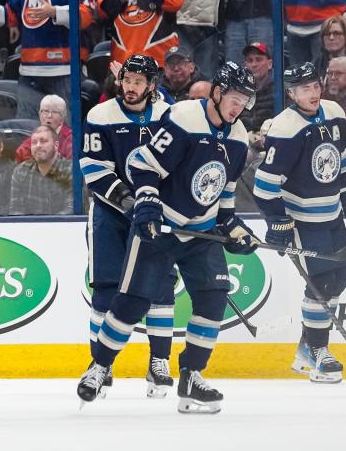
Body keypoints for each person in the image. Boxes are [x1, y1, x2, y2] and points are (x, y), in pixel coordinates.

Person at [78, 62, 259, 413]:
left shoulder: (238, 138)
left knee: (212, 299)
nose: (239, 107)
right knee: (131, 303)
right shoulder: (184, 119)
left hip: (201, 232)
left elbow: (224, 193)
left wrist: (234, 227)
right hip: (163, 227)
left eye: (245, 101)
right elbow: (143, 165)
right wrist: (146, 201)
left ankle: (191, 376)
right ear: (217, 92)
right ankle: (100, 366)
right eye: (235, 98)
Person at [253, 62, 346, 383]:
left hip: (331, 215)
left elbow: (340, 163)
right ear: (291, 93)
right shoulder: (285, 127)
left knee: (340, 278)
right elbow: (264, 186)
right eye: (305, 88)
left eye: (316, 85)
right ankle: (318, 352)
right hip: (302, 220)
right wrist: (278, 221)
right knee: (323, 283)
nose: (314, 92)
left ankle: (307, 346)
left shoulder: (333, 111)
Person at [80, 54, 175, 397]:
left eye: (138, 82)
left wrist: (158, 204)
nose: (130, 87)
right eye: (127, 80)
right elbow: (92, 167)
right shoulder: (100, 115)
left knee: (162, 286)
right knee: (106, 287)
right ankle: (99, 365)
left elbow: (178, 164)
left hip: (156, 213)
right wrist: (126, 200)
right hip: (109, 213)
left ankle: (159, 361)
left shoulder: (169, 117)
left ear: (152, 85)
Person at [10, 125, 73, 215]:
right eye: (34, 142)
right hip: (29, 227)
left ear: (56, 145)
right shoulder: (20, 171)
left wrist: (46, 226)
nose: (38, 145)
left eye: (43, 141)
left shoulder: (71, 170)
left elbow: (72, 210)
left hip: (64, 227)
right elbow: (16, 209)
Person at [14, 94, 73, 163]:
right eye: (46, 111)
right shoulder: (27, 145)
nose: (49, 116)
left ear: (63, 116)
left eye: (55, 112)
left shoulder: (72, 140)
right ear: (39, 114)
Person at [238, 43, 274, 133]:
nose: (254, 64)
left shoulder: (280, 88)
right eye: (250, 60)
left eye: (258, 59)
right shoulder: (238, 89)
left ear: (270, 64)